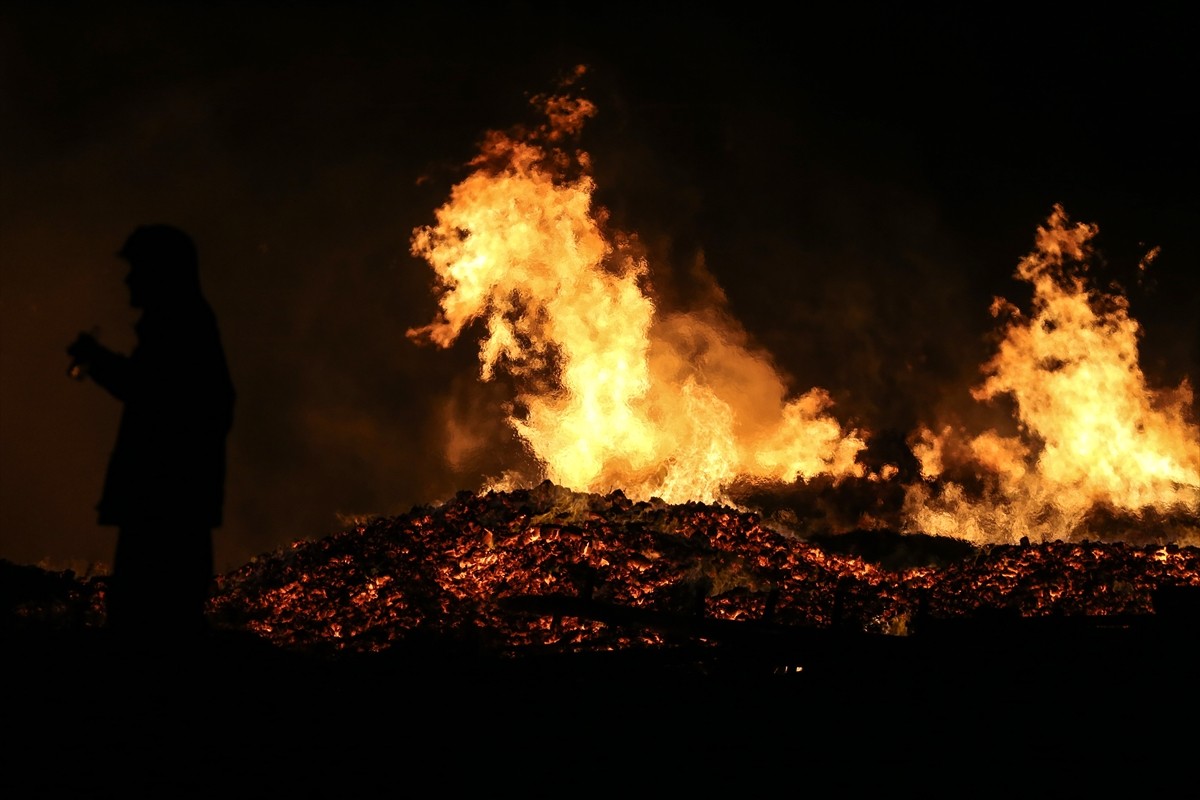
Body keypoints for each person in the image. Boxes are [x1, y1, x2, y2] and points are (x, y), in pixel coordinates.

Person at [67, 224, 235, 644]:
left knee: (150, 618)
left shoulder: (179, 324)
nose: (129, 279)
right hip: (173, 499)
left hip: (164, 501)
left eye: (137, 268)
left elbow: (153, 391)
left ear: (160, 272)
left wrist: (97, 360)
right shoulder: (185, 322)